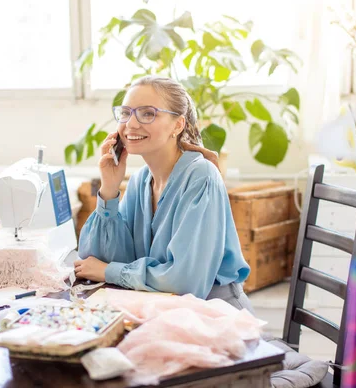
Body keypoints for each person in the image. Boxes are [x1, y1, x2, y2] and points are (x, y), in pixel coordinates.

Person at [75, 76, 252, 311]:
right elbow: (93, 260)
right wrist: (109, 190)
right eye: (126, 112)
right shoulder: (140, 181)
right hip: (162, 309)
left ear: (178, 125)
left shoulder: (202, 177)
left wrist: (109, 271)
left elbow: (186, 282)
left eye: (147, 113)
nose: (131, 124)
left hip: (214, 313)